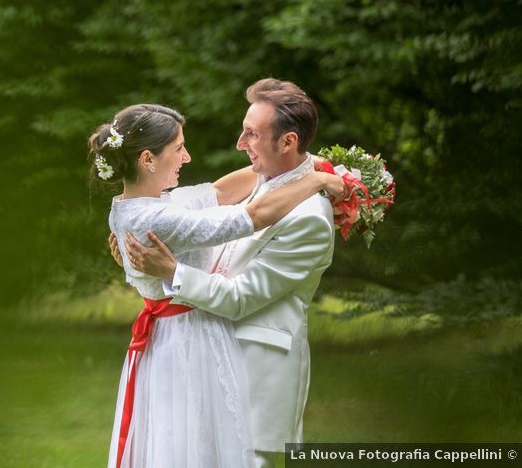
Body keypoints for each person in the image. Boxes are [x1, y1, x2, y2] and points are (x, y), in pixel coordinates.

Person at [89, 102, 344, 468]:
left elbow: (221, 193)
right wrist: (317, 180)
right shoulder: (156, 217)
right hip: (185, 341)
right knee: (191, 448)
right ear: (148, 159)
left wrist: (304, 162)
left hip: (181, 335)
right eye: (178, 148)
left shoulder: (145, 203)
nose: (187, 156)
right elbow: (251, 216)